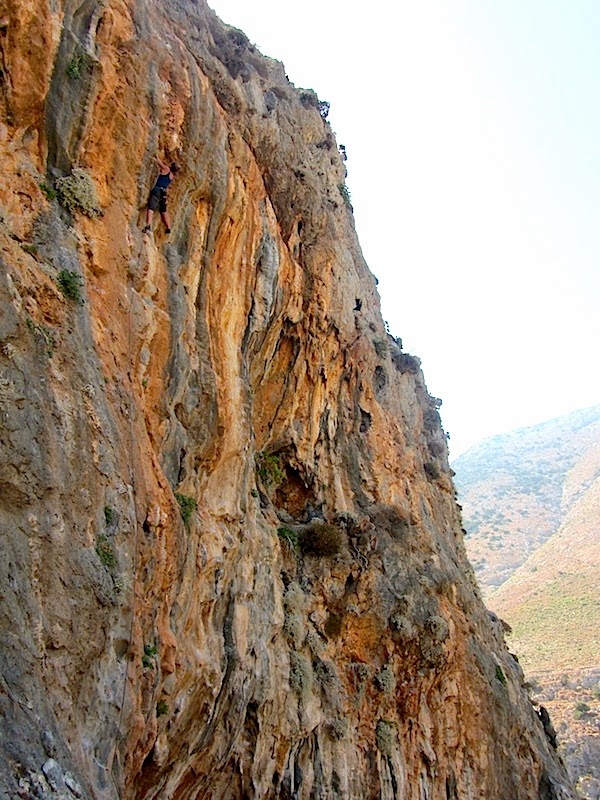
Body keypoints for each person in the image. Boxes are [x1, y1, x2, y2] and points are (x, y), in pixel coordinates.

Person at [142, 157, 179, 234]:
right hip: (164, 194)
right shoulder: (171, 176)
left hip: (157, 190)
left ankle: (148, 225)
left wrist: (155, 155)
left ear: (171, 165)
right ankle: (168, 227)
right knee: (164, 211)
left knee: (151, 207)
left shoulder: (167, 169)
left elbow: (159, 162)